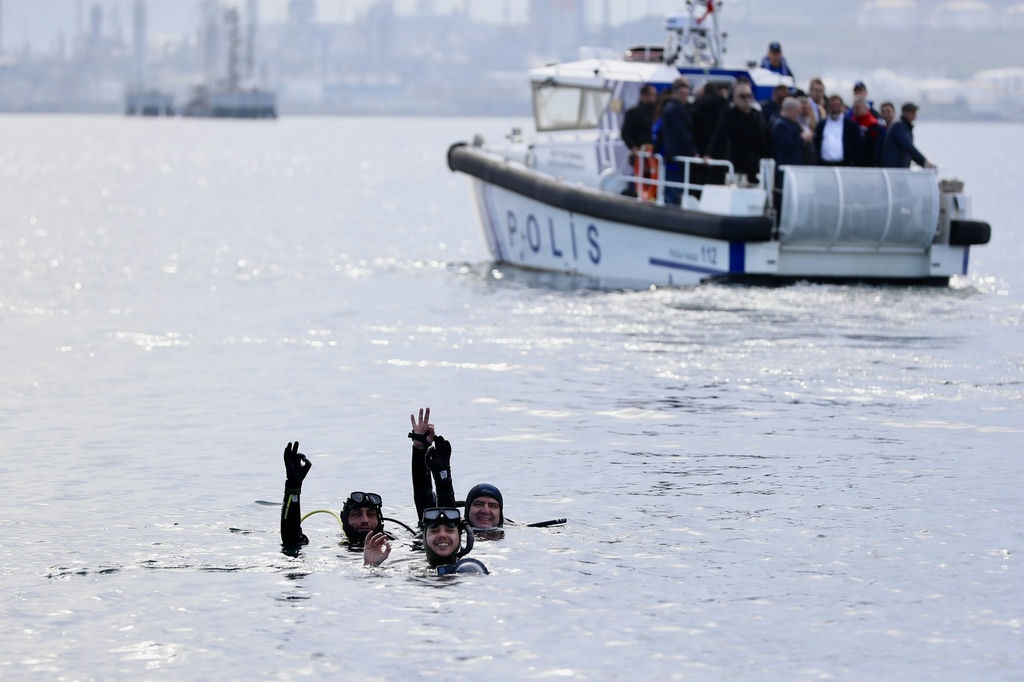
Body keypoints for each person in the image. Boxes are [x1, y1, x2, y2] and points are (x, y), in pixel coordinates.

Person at [278, 440, 393, 566]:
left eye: (371, 514)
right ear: (344, 520)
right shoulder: (335, 551)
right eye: (357, 514)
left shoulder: (398, 543)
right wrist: (293, 487)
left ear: (380, 520)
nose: (365, 520)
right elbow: (291, 540)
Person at [705, 81, 772, 185]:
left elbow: (765, 137)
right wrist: (710, 154)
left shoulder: (756, 115)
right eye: (743, 96)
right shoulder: (729, 115)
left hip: (754, 165)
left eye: (749, 96)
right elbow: (719, 136)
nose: (746, 99)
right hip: (735, 164)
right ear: (735, 98)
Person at [655, 77, 697, 206]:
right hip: (675, 157)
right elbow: (681, 134)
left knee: (671, 186)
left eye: (686, 94)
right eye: (682, 94)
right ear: (676, 93)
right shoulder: (676, 110)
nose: (684, 97)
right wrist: (692, 152)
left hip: (671, 155)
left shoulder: (669, 108)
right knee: (674, 188)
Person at [620, 84, 658, 196]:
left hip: (654, 155)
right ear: (644, 95)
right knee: (637, 179)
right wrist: (634, 147)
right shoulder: (634, 112)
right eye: (652, 95)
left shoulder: (656, 112)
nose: (654, 98)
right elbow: (625, 132)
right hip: (640, 154)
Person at [879, 102, 936, 169]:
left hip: (900, 169)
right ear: (904, 113)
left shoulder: (905, 127)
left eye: (915, 112)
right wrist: (924, 162)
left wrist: (922, 163)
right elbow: (908, 146)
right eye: (911, 112)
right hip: (894, 169)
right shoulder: (899, 126)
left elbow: (909, 151)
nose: (914, 114)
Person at [813, 94, 861, 166]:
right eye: (832, 106)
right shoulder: (821, 125)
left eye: (837, 105)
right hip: (824, 164)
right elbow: (817, 143)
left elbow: (857, 146)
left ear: (842, 107)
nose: (835, 109)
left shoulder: (851, 125)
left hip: (844, 165)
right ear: (828, 107)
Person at [850, 97, 882, 166]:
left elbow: (875, 146)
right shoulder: (852, 121)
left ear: (865, 107)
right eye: (854, 108)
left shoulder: (872, 123)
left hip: (868, 161)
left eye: (857, 108)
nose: (855, 110)